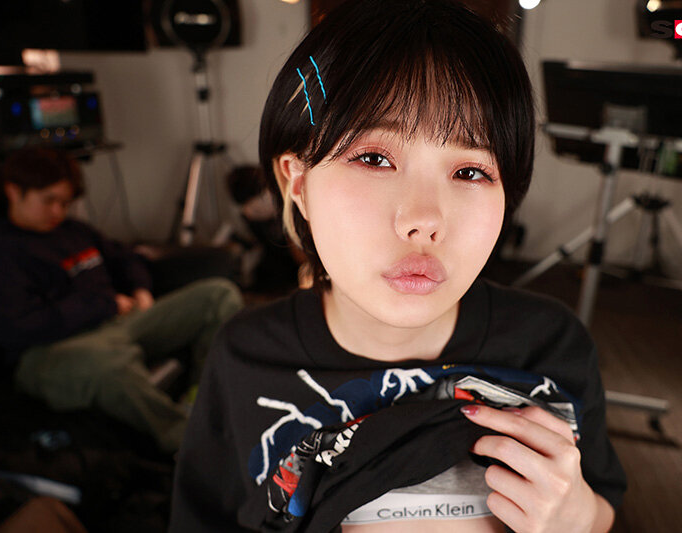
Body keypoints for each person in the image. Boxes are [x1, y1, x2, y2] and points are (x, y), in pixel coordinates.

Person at [170, 0, 627, 531]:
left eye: (471, 171)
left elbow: (604, 503)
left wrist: (580, 516)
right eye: (374, 158)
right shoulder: (245, 357)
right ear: (298, 182)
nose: (424, 220)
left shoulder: (551, 346)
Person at [0, 147, 244, 453]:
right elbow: (18, 328)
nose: (57, 211)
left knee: (218, 294)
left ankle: (202, 402)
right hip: (52, 349)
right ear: (14, 192)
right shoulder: (0, 250)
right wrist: (104, 305)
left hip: (121, 321)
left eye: (65, 203)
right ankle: (196, 444)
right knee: (109, 362)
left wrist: (140, 288)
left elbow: (127, 258)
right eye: (48, 200)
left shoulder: (73, 230)